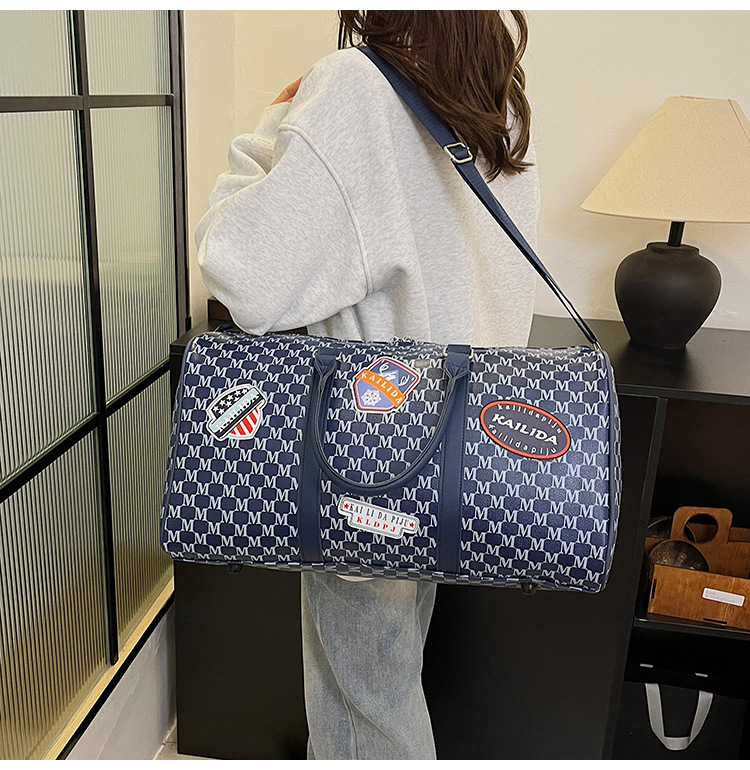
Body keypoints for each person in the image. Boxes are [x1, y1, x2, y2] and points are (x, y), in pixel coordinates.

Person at [196, 10, 540, 760]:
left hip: (369, 457)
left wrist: (272, 128)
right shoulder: (495, 100)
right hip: (457, 453)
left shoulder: (355, 86)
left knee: (363, 709)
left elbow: (241, 275)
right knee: (385, 685)